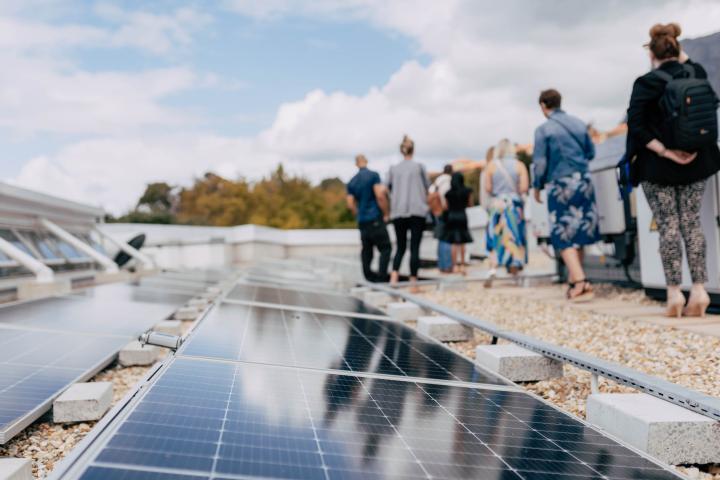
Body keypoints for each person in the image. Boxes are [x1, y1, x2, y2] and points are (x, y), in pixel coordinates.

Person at [627, 23, 720, 317]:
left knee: (668, 226)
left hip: (658, 167)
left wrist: (667, 151)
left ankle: (673, 294)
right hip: (699, 161)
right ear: (677, 48)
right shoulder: (697, 74)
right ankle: (700, 290)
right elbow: (687, 63)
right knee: (692, 224)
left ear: (652, 54)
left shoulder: (646, 83)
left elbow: (637, 127)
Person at [532, 88, 600, 302]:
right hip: (584, 180)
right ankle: (574, 283)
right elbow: (591, 152)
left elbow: (540, 163)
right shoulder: (579, 123)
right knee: (580, 231)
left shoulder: (544, 129)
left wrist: (537, 186)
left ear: (543, 105)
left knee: (562, 233)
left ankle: (581, 282)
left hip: (560, 183)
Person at [484, 139, 529, 287]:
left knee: (495, 235)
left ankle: (493, 268)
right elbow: (523, 188)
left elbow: (488, 188)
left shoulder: (491, 166)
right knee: (514, 236)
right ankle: (515, 266)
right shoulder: (519, 165)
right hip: (513, 207)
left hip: (497, 206)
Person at [387, 135, 430, 289]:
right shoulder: (419, 167)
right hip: (417, 210)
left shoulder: (394, 169)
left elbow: (388, 188)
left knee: (400, 246)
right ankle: (413, 282)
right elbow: (427, 187)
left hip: (399, 211)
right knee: (415, 247)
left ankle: (394, 277)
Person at [346, 154, 392, 283]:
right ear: (366, 161)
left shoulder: (352, 181)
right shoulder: (373, 175)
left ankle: (369, 277)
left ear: (356, 163)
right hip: (375, 218)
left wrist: (358, 214)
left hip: (362, 221)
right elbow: (380, 196)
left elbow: (350, 204)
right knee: (385, 248)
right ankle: (382, 278)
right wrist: (386, 213)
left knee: (367, 250)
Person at [441, 172, 474, 275]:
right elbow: (470, 204)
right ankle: (463, 265)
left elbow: (445, 207)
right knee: (462, 241)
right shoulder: (467, 191)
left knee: (453, 242)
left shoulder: (448, 193)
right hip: (462, 215)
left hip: (452, 216)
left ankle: (454, 265)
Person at [429, 165, 453, 273]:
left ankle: (441, 264)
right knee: (446, 238)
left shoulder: (437, 181)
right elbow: (445, 196)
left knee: (440, 238)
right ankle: (447, 265)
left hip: (435, 211)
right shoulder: (448, 181)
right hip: (443, 212)